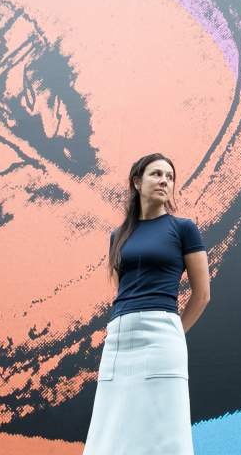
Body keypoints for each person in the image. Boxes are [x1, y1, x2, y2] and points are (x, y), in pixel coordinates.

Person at [83, 153, 211, 455]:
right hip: (118, 338)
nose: (164, 181)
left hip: (162, 336)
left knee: (163, 431)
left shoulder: (184, 228)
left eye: (170, 177)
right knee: (110, 429)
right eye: (156, 174)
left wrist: (174, 332)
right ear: (137, 182)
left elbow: (202, 294)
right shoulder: (118, 235)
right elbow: (122, 287)